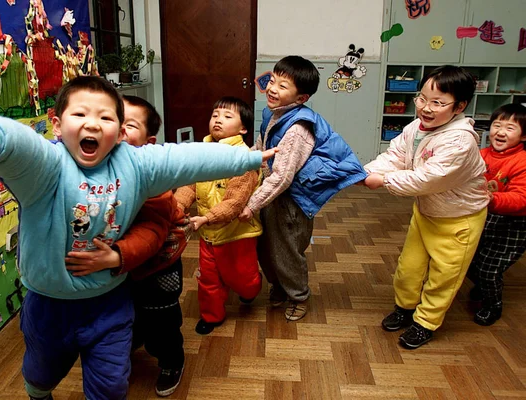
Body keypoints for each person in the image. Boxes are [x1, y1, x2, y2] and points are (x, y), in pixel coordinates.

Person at [0, 76, 276, 400]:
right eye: (80, 113)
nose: (93, 123)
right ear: (58, 125)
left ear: (121, 132)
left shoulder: (135, 164)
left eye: (106, 118)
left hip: (109, 301)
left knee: (110, 384)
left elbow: (186, 157)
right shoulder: (48, 167)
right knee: (40, 372)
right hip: (48, 303)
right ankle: (39, 394)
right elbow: (24, 146)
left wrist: (246, 158)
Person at [63, 95, 188, 397]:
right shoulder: (95, 169)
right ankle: (128, 347)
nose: (117, 130)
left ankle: (172, 361)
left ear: (148, 141)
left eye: (128, 125)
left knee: (162, 323)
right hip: (120, 271)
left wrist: (117, 255)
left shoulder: (150, 179)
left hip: (158, 268)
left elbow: (152, 232)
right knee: (126, 318)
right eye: (112, 120)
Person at [363, 65, 489, 349]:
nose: (425, 108)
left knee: (444, 277)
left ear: (460, 106)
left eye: (437, 103)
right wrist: (364, 172)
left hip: (459, 220)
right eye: (421, 98)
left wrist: (381, 181)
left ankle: (426, 323)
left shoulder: (460, 141)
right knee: (409, 268)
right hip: (426, 212)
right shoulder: (415, 127)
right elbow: (395, 156)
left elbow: (427, 179)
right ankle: (405, 309)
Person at [239, 55, 366, 322]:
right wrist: (243, 160)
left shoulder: (299, 128)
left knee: (286, 250)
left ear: (301, 99)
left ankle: (298, 295)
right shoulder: (272, 112)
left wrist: (251, 204)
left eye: (283, 86)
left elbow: (283, 177)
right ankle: (279, 287)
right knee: (265, 245)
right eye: (273, 80)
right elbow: (263, 148)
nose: (273, 88)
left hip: (293, 200)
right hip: (273, 193)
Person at [174, 96, 263, 335]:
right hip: (208, 233)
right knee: (209, 278)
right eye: (215, 115)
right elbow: (189, 185)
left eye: (227, 116)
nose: (218, 120)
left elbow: (235, 202)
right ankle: (211, 316)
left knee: (243, 280)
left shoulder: (244, 160)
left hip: (237, 234)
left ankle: (251, 290)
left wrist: (206, 218)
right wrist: (176, 208)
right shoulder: (203, 152)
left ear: (243, 128)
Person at [467, 103, 526, 326]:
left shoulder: (522, 162)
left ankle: (493, 305)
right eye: (496, 125)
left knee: (489, 269)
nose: (500, 132)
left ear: (524, 135)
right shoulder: (480, 154)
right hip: (483, 217)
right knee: (469, 260)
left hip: (513, 224)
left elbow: (522, 199)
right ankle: (482, 285)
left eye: (510, 128)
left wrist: (492, 199)